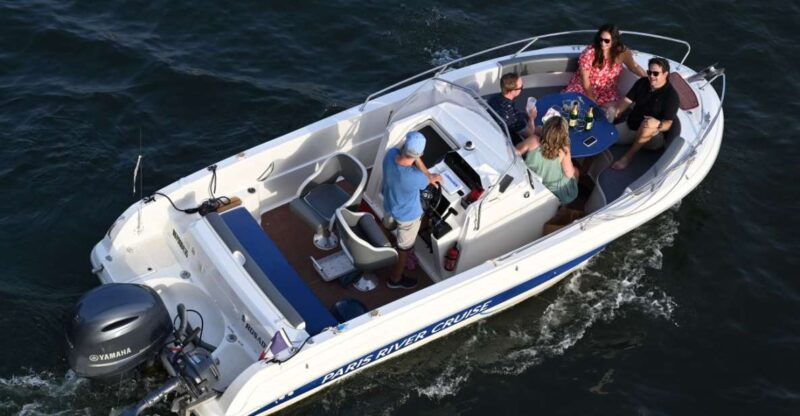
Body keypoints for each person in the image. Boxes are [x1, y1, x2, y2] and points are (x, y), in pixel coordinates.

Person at [382, 131, 442, 289]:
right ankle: (395, 279)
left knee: (390, 226)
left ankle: (391, 243)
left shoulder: (390, 155)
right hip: (408, 217)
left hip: (390, 205)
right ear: (420, 153)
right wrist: (433, 176)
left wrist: (418, 161)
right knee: (404, 248)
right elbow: (428, 179)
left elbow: (409, 159)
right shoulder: (416, 177)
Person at [610, 57, 679, 170]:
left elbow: (668, 124)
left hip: (653, 137)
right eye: (649, 72)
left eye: (656, 73)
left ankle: (628, 157)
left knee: (647, 124)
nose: (651, 76)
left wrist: (657, 124)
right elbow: (627, 100)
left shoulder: (671, 96)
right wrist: (616, 111)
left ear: (665, 74)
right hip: (632, 126)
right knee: (608, 136)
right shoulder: (642, 82)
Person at [563, 23, 647, 107]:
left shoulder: (622, 52)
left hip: (607, 91)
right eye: (601, 39)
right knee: (576, 108)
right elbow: (585, 79)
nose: (602, 43)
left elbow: (634, 67)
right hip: (585, 88)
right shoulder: (590, 52)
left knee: (612, 112)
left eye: (607, 41)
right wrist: (591, 100)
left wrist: (648, 77)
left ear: (614, 40)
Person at [515, 116, 578, 205]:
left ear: (545, 128)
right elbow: (569, 173)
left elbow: (515, 152)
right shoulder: (563, 150)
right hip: (557, 190)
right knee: (576, 172)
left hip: (535, 182)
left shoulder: (533, 141)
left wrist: (538, 132)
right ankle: (564, 207)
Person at [487, 72, 537, 145]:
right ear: (512, 91)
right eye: (521, 87)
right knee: (536, 137)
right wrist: (531, 118)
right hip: (507, 141)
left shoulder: (494, 98)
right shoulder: (512, 117)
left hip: (495, 128)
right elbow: (529, 134)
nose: (522, 88)